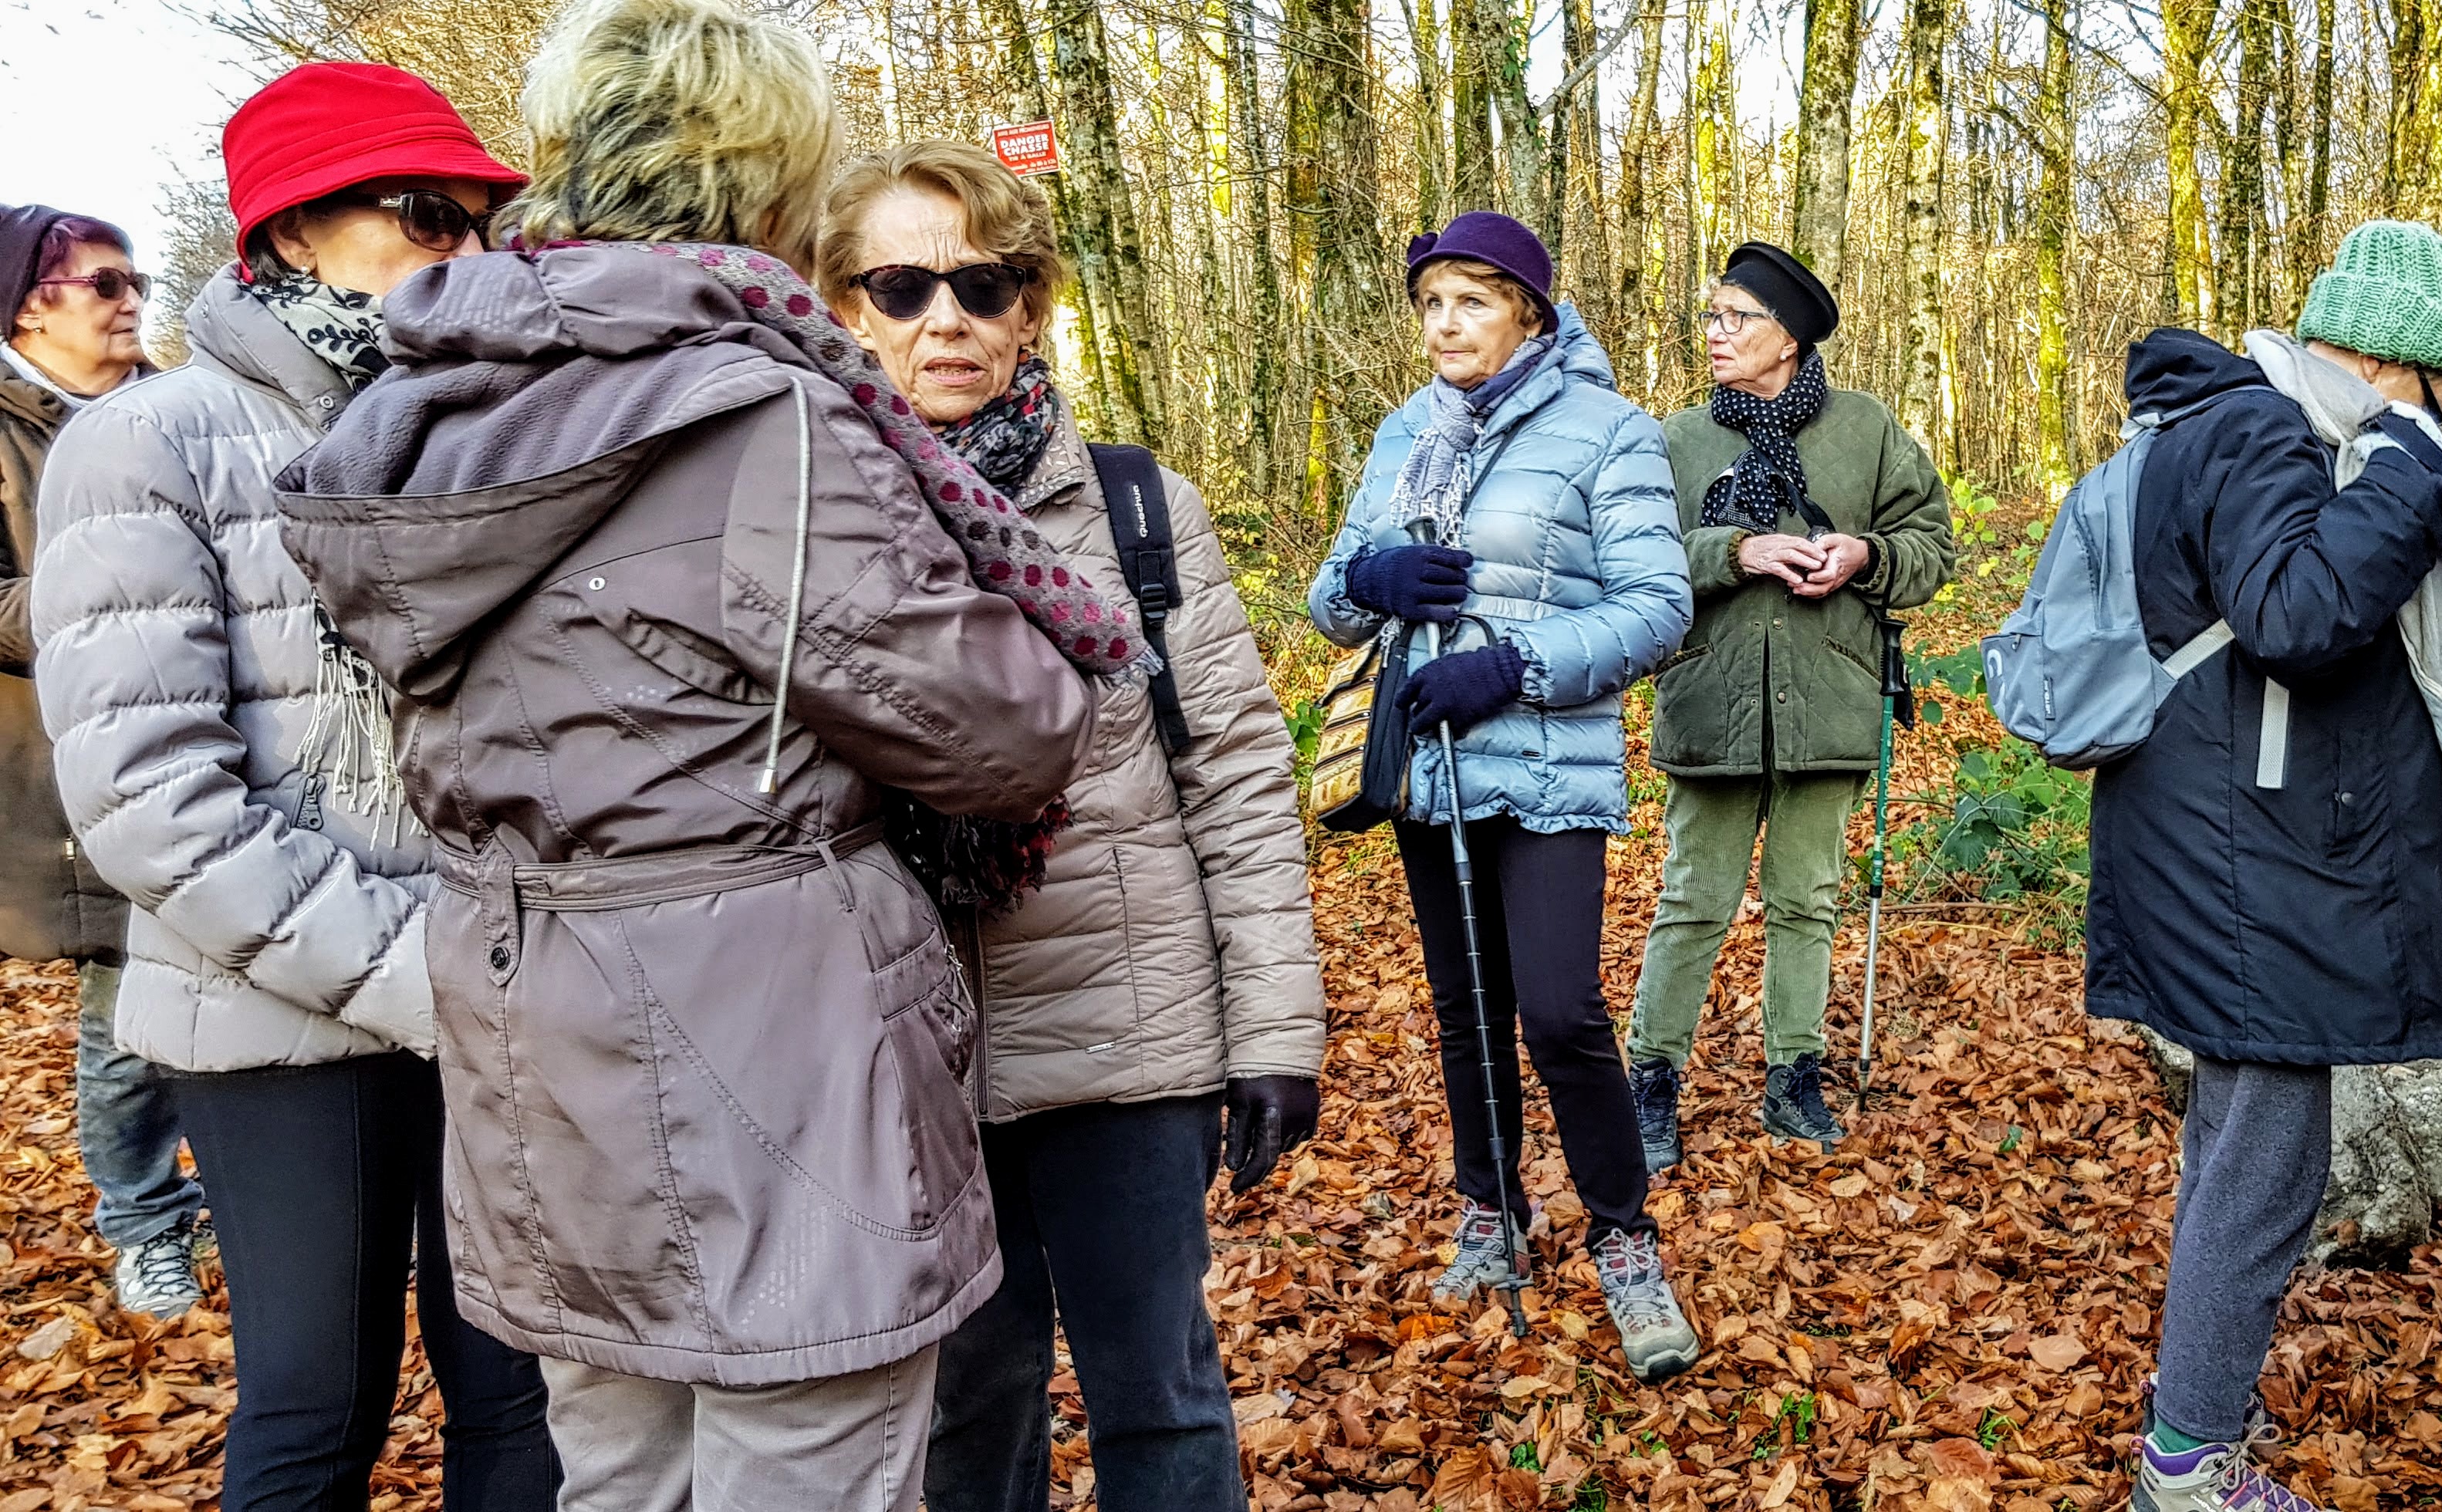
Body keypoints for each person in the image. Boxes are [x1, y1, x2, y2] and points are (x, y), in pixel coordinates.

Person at [275, 4, 1105, 1508]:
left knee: (618, 1465)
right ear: (776, 182)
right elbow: (1007, 730)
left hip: (534, 1033)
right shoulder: (763, 416)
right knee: (806, 1458)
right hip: (774, 1053)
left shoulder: (422, 410)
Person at [31, 63, 559, 1510]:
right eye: (424, 211)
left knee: (527, 1396)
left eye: (482, 216)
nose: (465, 244)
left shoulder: (495, 427)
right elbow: (150, 801)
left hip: (505, 988)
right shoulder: (149, 439)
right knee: (321, 1403)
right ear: (290, 233)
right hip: (273, 1015)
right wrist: (421, 967)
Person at [814, 140, 1326, 1512]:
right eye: (903, 286)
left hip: (1127, 1045)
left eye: (983, 285)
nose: (947, 319)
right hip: (900, 1059)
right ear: (844, 307)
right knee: (965, 1421)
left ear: (1029, 308)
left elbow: (1235, 774)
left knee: (1158, 1400)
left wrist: (1274, 1036)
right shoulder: (805, 515)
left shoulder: (1135, 509)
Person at [2086, 221, 2442, 1512]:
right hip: (2243, 860)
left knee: (2237, 1147)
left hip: (2242, 844)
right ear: (2399, 361)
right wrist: (2406, 469)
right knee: (2264, 1164)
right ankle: (2188, 1467)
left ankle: (2189, 1424)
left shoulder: (2262, 426)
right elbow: (2296, 618)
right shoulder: (2261, 430)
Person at [1309, 212, 1698, 1383]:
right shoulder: (1404, 431)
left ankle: (1624, 1239)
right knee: (1464, 1009)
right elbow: (1329, 600)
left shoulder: (1608, 430)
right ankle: (1492, 1213)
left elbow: (1658, 606)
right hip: (1425, 765)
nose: (1444, 325)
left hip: (1546, 766)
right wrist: (1370, 577)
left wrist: (1513, 665)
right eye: (1431, 303)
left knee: (1560, 1009)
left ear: (1528, 311)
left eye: (1471, 301)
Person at [1624, 242, 1955, 1163]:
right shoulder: (1676, 439)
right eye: (1711, 315)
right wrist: (1733, 553)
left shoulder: (1865, 429)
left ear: (1789, 339)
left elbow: (1930, 545)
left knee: (1806, 900)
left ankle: (1793, 1080)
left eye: (1737, 317)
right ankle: (1649, 1082)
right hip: (1710, 700)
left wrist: (1864, 555)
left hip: (1828, 700)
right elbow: (1632, 560)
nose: (1715, 332)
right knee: (1692, 899)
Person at [0, 204, 206, 1320]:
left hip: (218, 742)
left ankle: (234, 1195)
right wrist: (111, 587)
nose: (133, 302)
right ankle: (141, 1220)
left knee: (235, 983)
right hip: (66, 767)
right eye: (105, 283)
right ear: (28, 308)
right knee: (124, 1011)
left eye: (136, 282)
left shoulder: (178, 408)